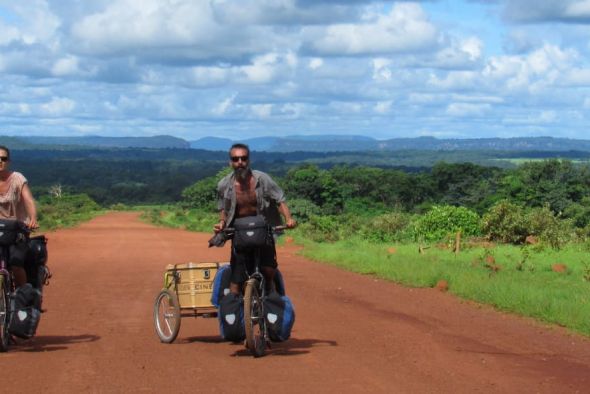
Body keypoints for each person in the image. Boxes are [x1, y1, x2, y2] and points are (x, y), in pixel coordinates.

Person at [214, 143, 296, 295]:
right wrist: (221, 223)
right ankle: (236, 309)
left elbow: (280, 200)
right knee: (236, 277)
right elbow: (223, 209)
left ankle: (270, 291)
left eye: (243, 158)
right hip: (239, 232)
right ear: (230, 162)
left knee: (268, 268)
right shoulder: (224, 185)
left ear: (249, 160)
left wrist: (289, 219)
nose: (240, 162)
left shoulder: (262, 179)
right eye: (236, 159)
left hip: (263, 229)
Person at [0, 145, 38, 288]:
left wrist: (33, 218)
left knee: (16, 264)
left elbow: (28, 199)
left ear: (8, 161)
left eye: (3, 158)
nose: (0, 161)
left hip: (17, 229)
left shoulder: (17, 178)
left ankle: (23, 296)